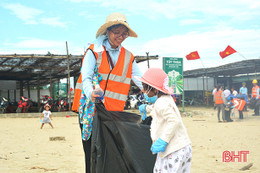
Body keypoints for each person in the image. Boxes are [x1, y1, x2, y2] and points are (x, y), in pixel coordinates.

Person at [72, 12, 143, 173]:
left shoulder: (128, 56)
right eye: (117, 32)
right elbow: (87, 79)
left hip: (113, 113)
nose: (121, 36)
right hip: (91, 112)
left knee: (111, 152)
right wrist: (91, 93)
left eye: (124, 33)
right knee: (92, 152)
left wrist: (156, 92)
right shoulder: (93, 52)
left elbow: (140, 80)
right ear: (108, 32)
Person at [136, 68, 192, 173]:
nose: (143, 91)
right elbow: (159, 110)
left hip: (173, 150)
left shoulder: (161, 103)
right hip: (183, 147)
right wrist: (146, 108)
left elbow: (174, 121)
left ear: (155, 89)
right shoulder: (166, 99)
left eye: (144, 87)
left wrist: (163, 140)